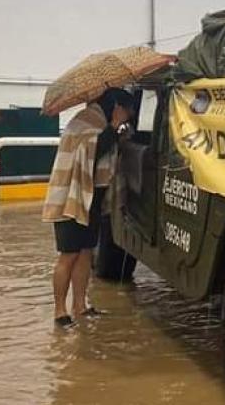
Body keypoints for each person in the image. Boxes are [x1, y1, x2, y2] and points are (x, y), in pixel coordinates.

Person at [42, 88, 135, 328]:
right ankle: (60, 311)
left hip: (91, 200)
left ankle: (80, 306)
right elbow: (90, 151)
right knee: (69, 255)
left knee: (85, 253)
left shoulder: (101, 123)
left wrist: (117, 132)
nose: (129, 115)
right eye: (127, 110)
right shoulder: (84, 122)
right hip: (71, 199)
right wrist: (113, 127)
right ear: (116, 107)